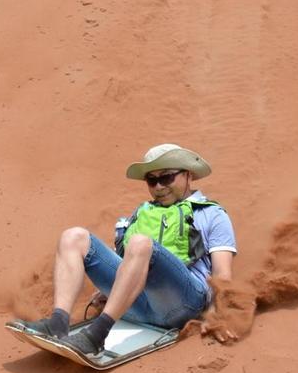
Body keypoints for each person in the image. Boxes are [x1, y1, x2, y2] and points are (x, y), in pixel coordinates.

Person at [22, 143, 238, 358]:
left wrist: (217, 317)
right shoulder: (142, 213)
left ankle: (97, 335)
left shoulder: (212, 214)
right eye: (152, 180)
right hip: (136, 306)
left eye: (166, 178)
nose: (159, 187)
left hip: (182, 306)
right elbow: (126, 262)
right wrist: (111, 292)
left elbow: (222, 275)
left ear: (188, 175)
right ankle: (58, 323)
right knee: (73, 236)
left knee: (140, 243)